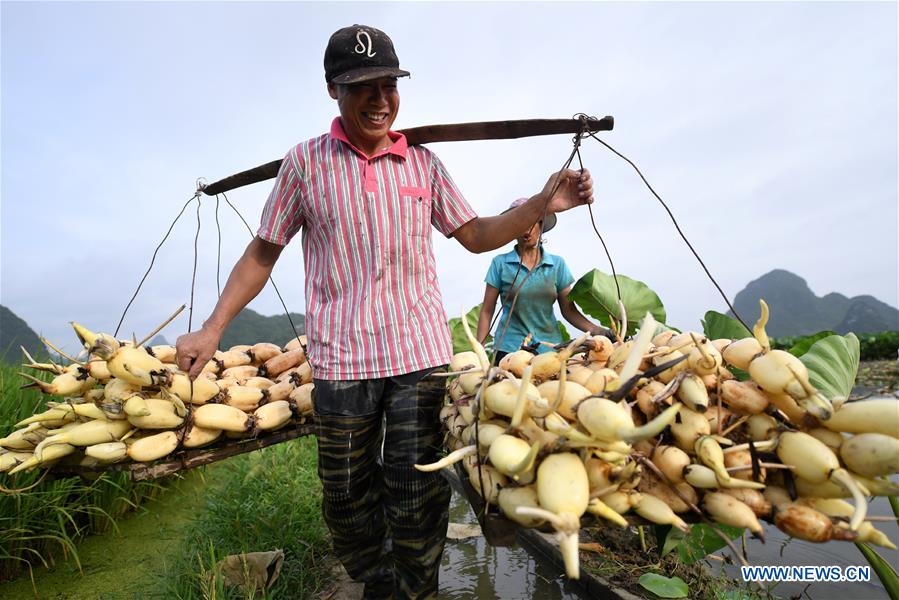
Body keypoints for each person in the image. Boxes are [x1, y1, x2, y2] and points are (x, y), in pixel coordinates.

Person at [175, 24, 594, 600]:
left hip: (417, 356)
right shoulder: (304, 164)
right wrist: (213, 327)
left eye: (388, 85)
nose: (379, 99)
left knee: (416, 488)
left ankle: (416, 587)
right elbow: (262, 252)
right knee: (345, 493)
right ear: (333, 91)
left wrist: (543, 204)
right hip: (342, 360)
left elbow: (475, 235)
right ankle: (377, 577)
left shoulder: (421, 163)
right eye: (362, 87)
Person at [476, 197, 609, 362]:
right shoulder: (500, 263)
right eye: (519, 223)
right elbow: (487, 310)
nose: (527, 230)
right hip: (509, 350)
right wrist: (479, 352)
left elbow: (568, 310)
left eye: (532, 222)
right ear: (512, 228)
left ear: (541, 225)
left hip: (549, 348)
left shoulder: (557, 264)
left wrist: (597, 330)